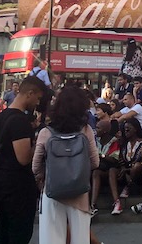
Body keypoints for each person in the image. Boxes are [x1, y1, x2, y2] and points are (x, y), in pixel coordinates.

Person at [32, 85, 99, 244]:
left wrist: (43, 176)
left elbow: (35, 167)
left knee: (51, 239)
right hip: (80, 193)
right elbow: (95, 162)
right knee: (81, 239)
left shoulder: (46, 132)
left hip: (52, 193)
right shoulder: (86, 130)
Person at [0, 75, 47, 244]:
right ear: (29, 93)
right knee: (19, 233)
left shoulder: (2, 116)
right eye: (37, 98)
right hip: (17, 187)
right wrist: (38, 142)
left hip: (1, 181)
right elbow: (23, 158)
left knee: (3, 231)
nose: (37, 103)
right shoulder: (20, 121)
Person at [113, 119, 142, 214]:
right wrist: (123, 168)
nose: (125, 131)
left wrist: (128, 168)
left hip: (140, 174)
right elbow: (121, 160)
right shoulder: (124, 145)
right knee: (112, 170)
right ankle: (116, 201)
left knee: (137, 166)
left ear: (135, 129)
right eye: (124, 130)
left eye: (128, 129)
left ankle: (128, 186)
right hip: (126, 172)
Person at [90, 116, 121, 216]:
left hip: (114, 168)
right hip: (100, 168)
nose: (96, 130)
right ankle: (93, 205)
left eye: (98, 128)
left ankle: (117, 202)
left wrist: (101, 156)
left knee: (112, 171)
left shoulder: (114, 141)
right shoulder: (96, 141)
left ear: (105, 130)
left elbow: (114, 159)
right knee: (95, 173)